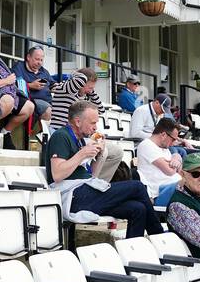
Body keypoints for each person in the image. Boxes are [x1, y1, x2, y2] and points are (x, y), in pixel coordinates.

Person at [43, 100, 162, 238]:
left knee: (138, 209)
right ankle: (158, 236)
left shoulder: (81, 139)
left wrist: (100, 154)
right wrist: (82, 153)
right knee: (138, 187)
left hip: (85, 192)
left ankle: (133, 254)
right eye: (92, 123)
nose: (95, 127)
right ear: (77, 121)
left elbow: (92, 175)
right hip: (73, 197)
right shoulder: (61, 136)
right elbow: (57, 174)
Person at [135, 117, 184, 206]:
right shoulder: (147, 145)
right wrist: (175, 162)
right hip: (160, 192)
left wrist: (176, 159)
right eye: (173, 139)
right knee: (189, 182)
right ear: (163, 135)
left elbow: (178, 169)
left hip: (174, 187)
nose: (173, 143)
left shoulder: (164, 147)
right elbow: (170, 171)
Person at [15, 45, 56, 126]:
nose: (39, 62)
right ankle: (41, 136)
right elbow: (13, 84)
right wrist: (30, 85)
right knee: (48, 110)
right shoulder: (19, 68)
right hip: (31, 100)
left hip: (49, 102)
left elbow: (52, 84)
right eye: (37, 59)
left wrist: (58, 87)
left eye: (41, 60)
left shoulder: (43, 71)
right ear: (28, 57)